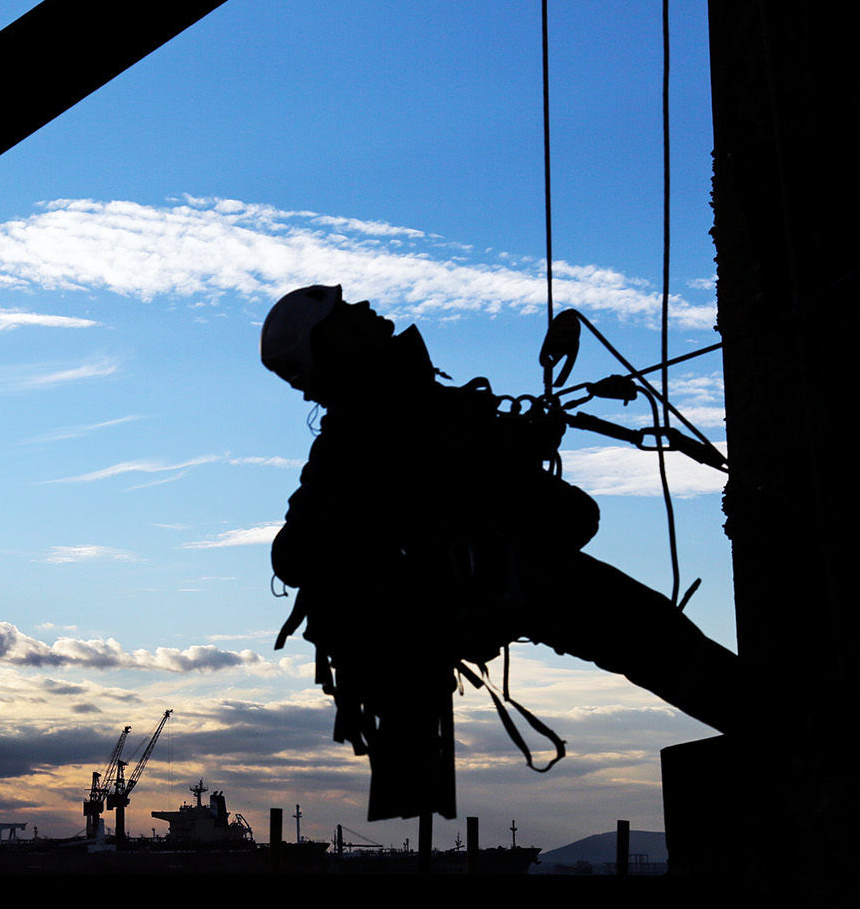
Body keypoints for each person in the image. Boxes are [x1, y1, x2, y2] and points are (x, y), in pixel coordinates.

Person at [262, 284, 745, 820]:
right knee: (646, 630)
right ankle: (783, 725)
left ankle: (771, 718)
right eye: (348, 313)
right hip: (492, 583)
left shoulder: (397, 408)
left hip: (489, 581)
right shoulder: (368, 429)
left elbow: (495, 483)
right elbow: (300, 550)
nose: (368, 311)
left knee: (645, 627)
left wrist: (509, 446)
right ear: (333, 343)